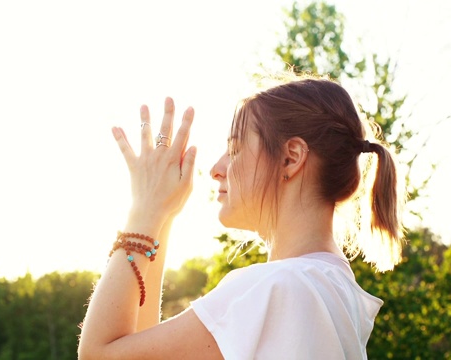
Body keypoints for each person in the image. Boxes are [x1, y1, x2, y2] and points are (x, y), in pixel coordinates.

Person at [77, 73, 404, 360]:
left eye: (234, 150)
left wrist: (144, 210)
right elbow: (140, 351)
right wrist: (163, 217)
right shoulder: (327, 287)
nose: (216, 170)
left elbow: (99, 355)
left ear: (290, 158)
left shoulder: (278, 288)